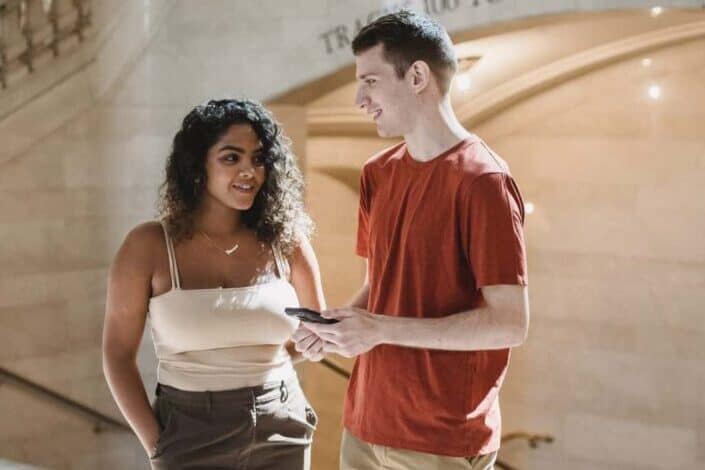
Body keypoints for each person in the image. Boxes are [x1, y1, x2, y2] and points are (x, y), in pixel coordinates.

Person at [293, 10, 529, 470]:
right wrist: (337, 327)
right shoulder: (376, 173)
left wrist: (380, 330)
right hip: (364, 424)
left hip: (440, 439)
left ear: (417, 75)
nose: (360, 98)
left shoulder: (484, 181)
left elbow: (510, 322)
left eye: (371, 81)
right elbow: (381, 287)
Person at [103, 99, 325, 469]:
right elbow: (117, 355)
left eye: (258, 158)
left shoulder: (288, 241)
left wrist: (315, 342)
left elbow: (314, 333)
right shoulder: (149, 245)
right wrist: (158, 445)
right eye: (231, 158)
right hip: (189, 430)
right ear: (197, 165)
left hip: (281, 422)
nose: (249, 171)